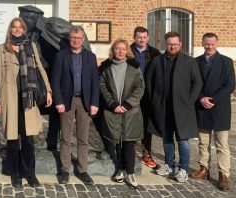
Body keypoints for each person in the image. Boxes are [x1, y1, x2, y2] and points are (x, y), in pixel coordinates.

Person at [18, 5, 91, 151]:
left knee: (59, 108)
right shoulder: (31, 33)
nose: (22, 22)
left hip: (65, 71)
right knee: (50, 107)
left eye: (24, 18)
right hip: (48, 71)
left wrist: (85, 62)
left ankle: (57, 142)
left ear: (34, 18)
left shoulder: (52, 24)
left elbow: (79, 36)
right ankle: (49, 141)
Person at [0, 17, 52, 189]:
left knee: (28, 139)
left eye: (20, 27)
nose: (17, 30)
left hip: (29, 100)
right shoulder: (1, 49)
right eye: (14, 27)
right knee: (12, 139)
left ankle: (30, 173)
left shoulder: (31, 46)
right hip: (10, 99)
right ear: (10, 29)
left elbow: (40, 69)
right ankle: (15, 174)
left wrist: (48, 90)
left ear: (24, 30)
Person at [146, 32, 202, 183]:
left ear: (180, 44)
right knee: (167, 139)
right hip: (163, 108)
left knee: (183, 140)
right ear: (166, 44)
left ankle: (183, 169)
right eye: (170, 44)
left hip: (183, 108)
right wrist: (154, 100)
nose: (172, 46)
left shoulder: (189, 61)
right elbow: (149, 80)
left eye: (175, 44)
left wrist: (189, 101)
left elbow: (197, 82)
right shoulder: (157, 61)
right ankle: (169, 165)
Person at [51, 26, 99, 185]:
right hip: (67, 101)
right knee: (65, 137)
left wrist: (94, 103)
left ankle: (82, 169)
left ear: (83, 39)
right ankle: (65, 169)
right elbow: (55, 81)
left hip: (85, 101)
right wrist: (58, 101)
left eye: (78, 38)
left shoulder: (91, 57)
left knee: (83, 138)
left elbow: (94, 82)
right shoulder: (61, 56)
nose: (75, 40)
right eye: (72, 37)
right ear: (69, 39)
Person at [190, 33, 236, 191]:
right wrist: (201, 98)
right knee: (203, 142)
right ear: (202, 43)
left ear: (217, 43)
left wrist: (212, 100)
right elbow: (193, 83)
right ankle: (204, 169)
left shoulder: (226, 62)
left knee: (222, 144)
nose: (209, 47)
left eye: (212, 44)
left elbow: (230, 86)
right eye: (207, 44)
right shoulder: (195, 62)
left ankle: (224, 174)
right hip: (202, 107)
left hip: (220, 108)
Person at [99, 38, 145, 189]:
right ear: (113, 51)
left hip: (130, 111)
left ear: (127, 51)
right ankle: (120, 169)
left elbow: (140, 88)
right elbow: (102, 87)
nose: (120, 51)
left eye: (123, 49)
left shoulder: (134, 67)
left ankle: (130, 172)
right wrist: (112, 104)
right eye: (117, 49)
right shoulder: (106, 67)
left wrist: (127, 104)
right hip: (113, 110)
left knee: (129, 141)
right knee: (117, 140)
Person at [130, 26, 161, 169]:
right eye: (138, 37)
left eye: (144, 37)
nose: (141, 40)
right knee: (129, 123)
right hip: (130, 93)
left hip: (148, 95)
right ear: (134, 37)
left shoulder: (155, 53)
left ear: (148, 38)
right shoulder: (128, 50)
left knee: (146, 126)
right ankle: (128, 153)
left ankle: (146, 153)